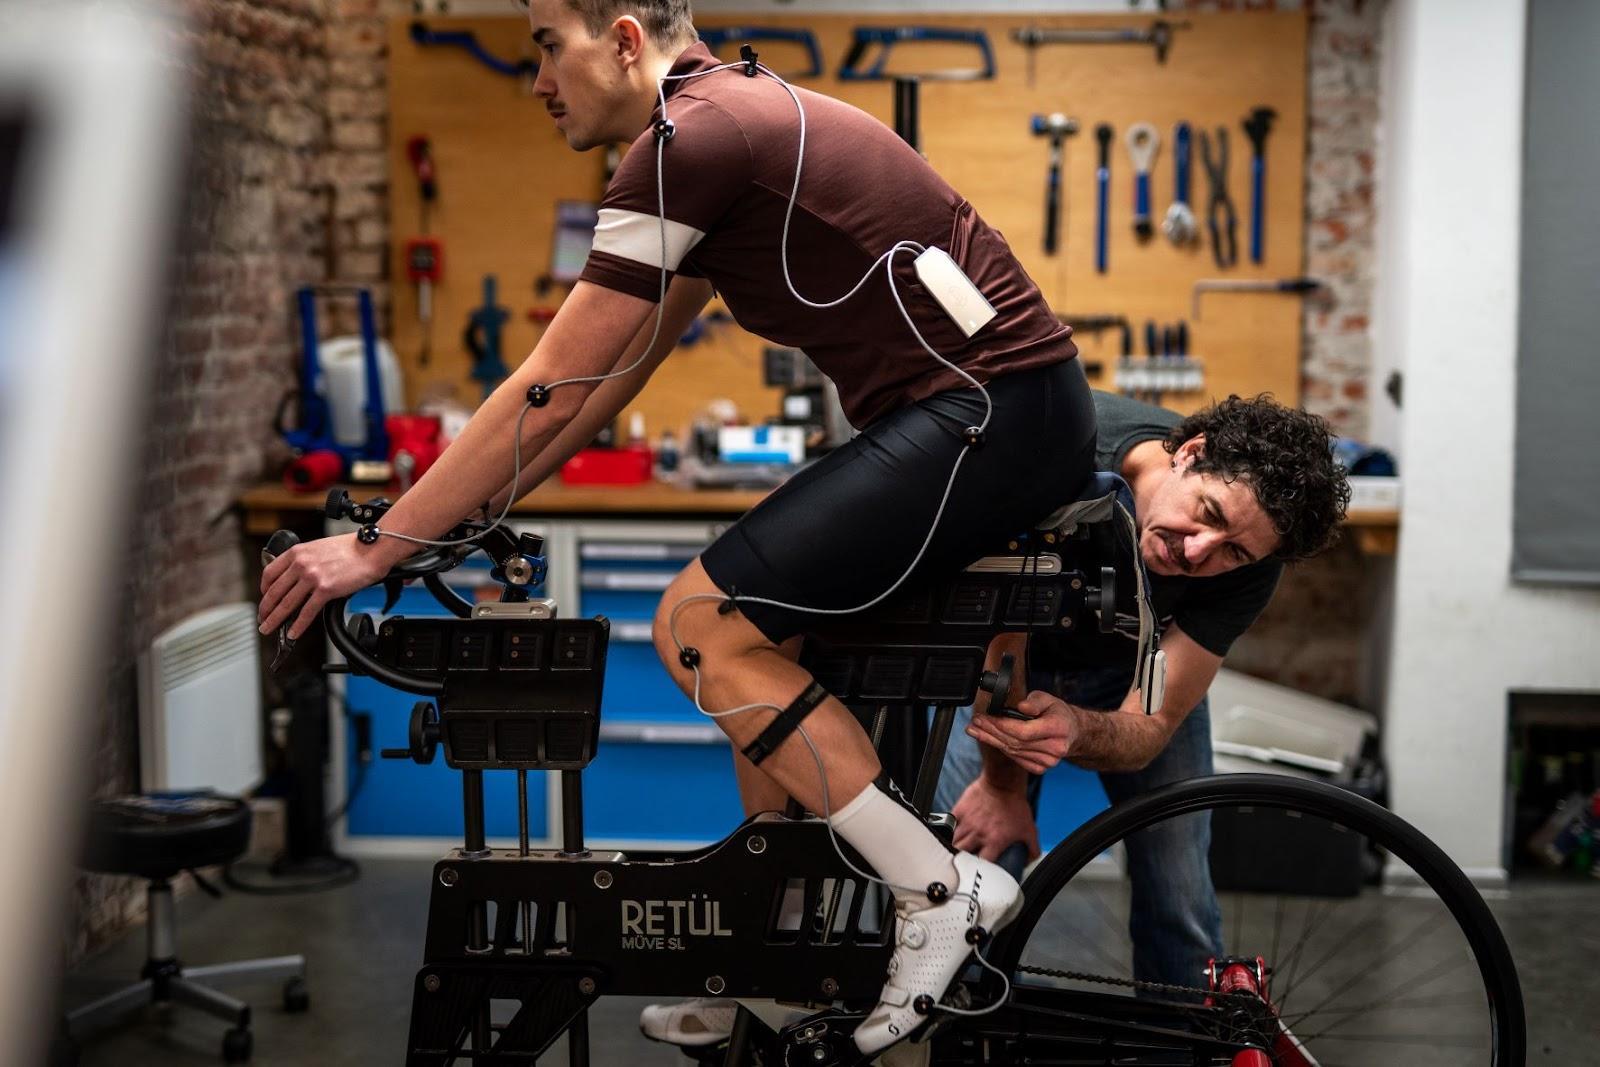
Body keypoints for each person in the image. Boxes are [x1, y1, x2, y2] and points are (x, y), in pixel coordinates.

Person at [257, 0, 1095, 1054]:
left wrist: (381, 544)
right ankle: (776, 959)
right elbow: (604, 378)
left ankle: (938, 889)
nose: (537, 83)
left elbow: (548, 387)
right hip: (999, 413)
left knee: (700, 625)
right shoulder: (724, 125)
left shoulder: (687, 139)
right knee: (767, 641)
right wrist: (455, 518)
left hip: (989, 415)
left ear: (619, 39)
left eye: (545, 49)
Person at [942, 390, 1351, 991]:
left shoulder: (1255, 561)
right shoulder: (1057, 444)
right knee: (962, 880)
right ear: (1189, 453)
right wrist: (1002, 787)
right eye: (1208, 514)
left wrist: (1078, 728)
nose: (1198, 551)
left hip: (1136, 670)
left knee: (1179, 889)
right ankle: (958, 1033)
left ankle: (1179, 1043)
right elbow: (995, 645)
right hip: (997, 648)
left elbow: (1148, 733)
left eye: (1232, 551)